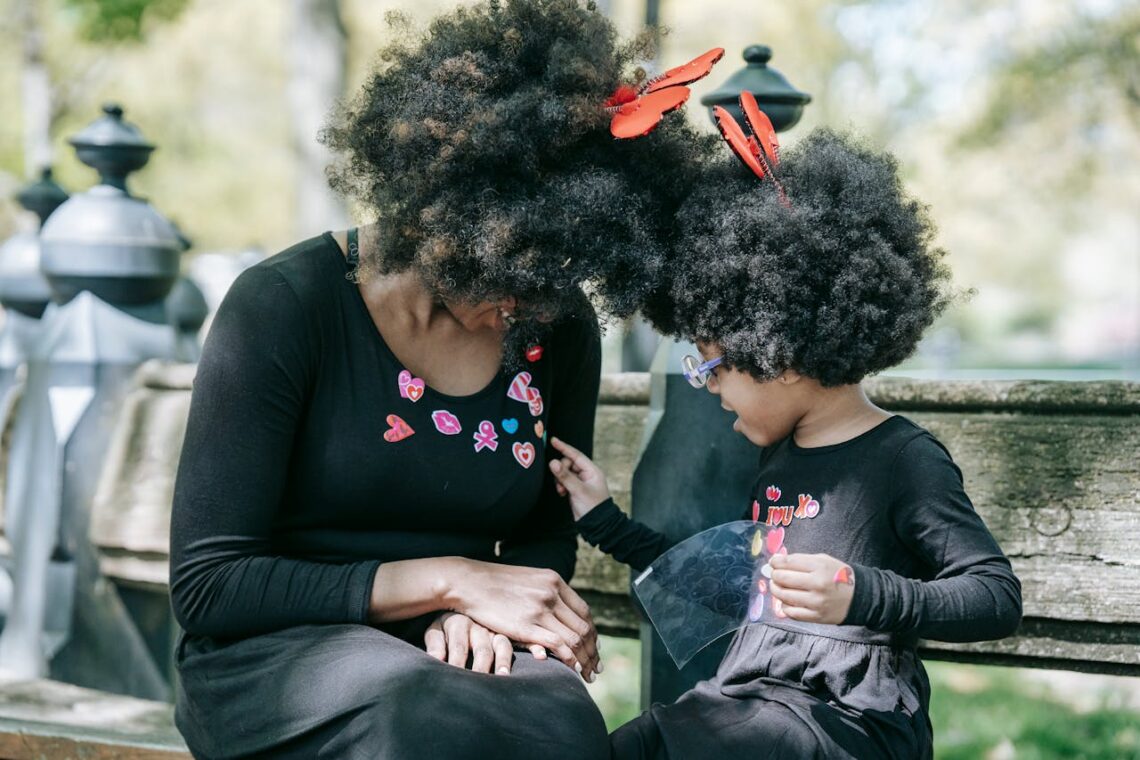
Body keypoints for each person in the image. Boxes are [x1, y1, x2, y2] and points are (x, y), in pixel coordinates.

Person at [167, 2, 709, 758]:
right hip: (275, 653)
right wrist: (450, 583)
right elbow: (212, 586)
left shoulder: (555, 323)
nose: (522, 308)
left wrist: (482, 612)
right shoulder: (285, 307)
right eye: (506, 273)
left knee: (559, 720)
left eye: (552, 279)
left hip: (455, 644)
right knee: (416, 715)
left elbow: (542, 532)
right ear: (445, 211)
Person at [547, 128, 1023, 759]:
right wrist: (603, 520)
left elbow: (994, 596)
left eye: (714, 366)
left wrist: (861, 593)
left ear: (783, 356)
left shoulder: (903, 460)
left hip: (850, 723)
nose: (708, 386)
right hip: (750, 705)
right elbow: (731, 582)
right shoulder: (778, 457)